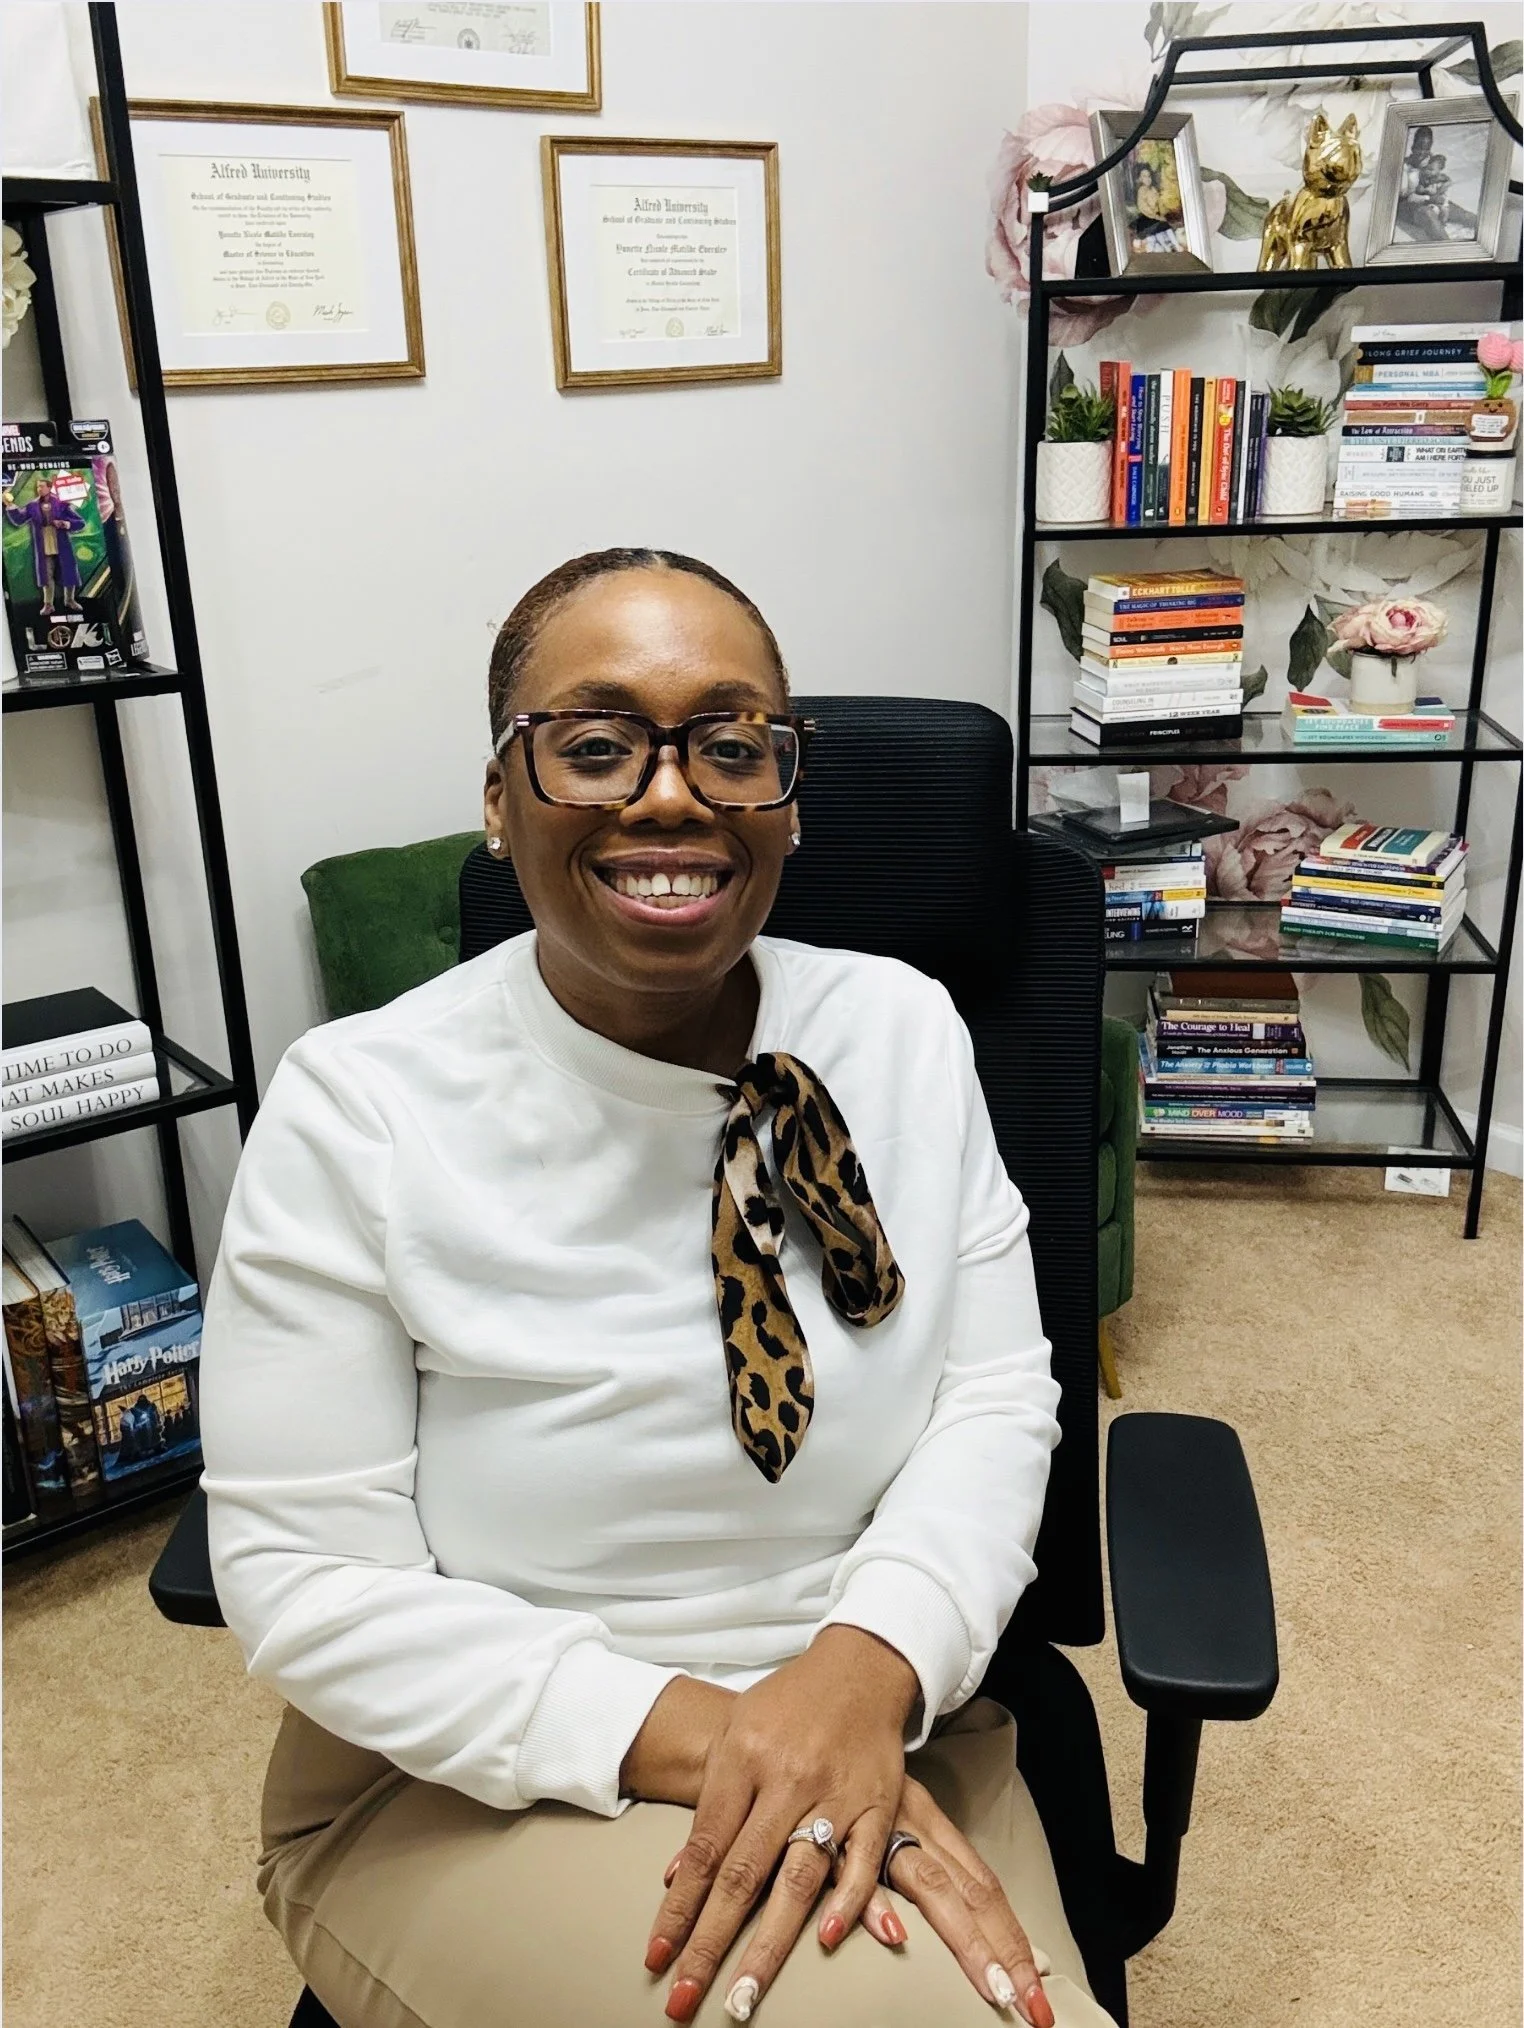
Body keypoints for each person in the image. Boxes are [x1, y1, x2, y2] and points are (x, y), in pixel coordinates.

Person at [200, 549, 1115, 2028]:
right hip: (475, 1761)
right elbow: (310, 1583)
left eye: (732, 743)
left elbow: (996, 1397)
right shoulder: (359, 1106)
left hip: (885, 1707)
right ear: (501, 802)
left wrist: (863, 1674)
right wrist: (750, 1739)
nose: (672, 792)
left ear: (787, 798)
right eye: (597, 744)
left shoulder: (900, 1030)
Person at [2, 475, 86, 614]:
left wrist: (66, 524)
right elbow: (19, 519)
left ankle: (70, 600)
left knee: (68, 572)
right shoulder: (32, 506)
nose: (39, 489)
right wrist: (10, 506)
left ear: (49, 488)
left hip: (61, 543)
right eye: (38, 487)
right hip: (43, 545)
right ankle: (48, 604)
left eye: (42, 486)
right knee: (46, 576)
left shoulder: (61, 504)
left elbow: (80, 522)